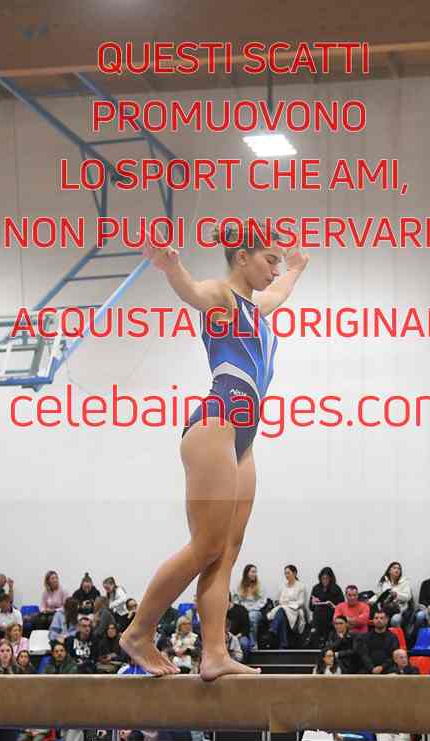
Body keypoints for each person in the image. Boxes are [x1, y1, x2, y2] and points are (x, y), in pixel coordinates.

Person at [120, 221, 308, 678]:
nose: (274, 270)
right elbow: (193, 292)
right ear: (242, 257)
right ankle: (139, 632)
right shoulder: (222, 296)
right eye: (269, 260)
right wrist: (173, 268)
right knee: (205, 546)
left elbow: (279, 292)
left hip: (244, 441)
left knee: (226, 552)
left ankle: (215, 653)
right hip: (216, 423)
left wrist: (296, 267)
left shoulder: (257, 306)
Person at [43, 644, 84, 741]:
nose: (59, 653)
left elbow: (67, 684)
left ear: (66, 652)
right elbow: (45, 685)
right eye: (56, 651)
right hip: (53, 705)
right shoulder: (48, 667)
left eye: (62, 651)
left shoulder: (72, 666)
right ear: (53, 654)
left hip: (69, 704)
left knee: (76, 728)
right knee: (77, 730)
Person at [267, 565, 307, 649]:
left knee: (282, 610)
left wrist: (289, 604)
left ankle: (273, 629)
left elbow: (301, 602)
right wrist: (280, 602)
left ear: (294, 573)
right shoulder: (282, 586)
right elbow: (277, 600)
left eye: (288, 573)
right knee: (282, 612)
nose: (286, 575)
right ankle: (283, 644)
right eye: (285, 573)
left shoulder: (301, 586)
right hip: (283, 608)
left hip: (295, 610)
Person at [369, 561, 412, 627]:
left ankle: (394, 633)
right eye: (394, 568)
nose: (397, 570)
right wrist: (370, 601)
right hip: (384, 608)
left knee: (395, 619)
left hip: (399, 609)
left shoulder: (405, 582)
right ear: (389, 571)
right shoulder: (384, 582)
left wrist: (397, 595)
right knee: (375, 615)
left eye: (399, 569)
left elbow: (408, 597)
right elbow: (378, 595)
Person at [234, 564, 267, 649]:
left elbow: (263, 601)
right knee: (241, 616)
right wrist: (243, 609)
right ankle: (242, 643)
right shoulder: (240, 586)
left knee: (251, 617)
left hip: (256, 611)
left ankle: (254, 643)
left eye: (255, 572)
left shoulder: (260, 585)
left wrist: (251, 609)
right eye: (252, 572)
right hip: (243, 610)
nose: (254, 574)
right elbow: (236, 600)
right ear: (246, 573)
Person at [309, 567, 344, 646]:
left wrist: (332, 605)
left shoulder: (336, 589)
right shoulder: (316, 588)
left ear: (331, 578)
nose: (324, 580)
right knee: (319, 609)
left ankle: (318, 637)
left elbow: (341, 607)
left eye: (327, 578)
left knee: (322, 612)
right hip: (318, 615)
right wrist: (313, 602)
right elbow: (311, 607)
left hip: (332, 614)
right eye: (323, 578)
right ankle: (321, 639)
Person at [227, 592, 251, 659]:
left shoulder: (241, 609)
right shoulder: (219, 611)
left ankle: (244, 662)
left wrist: (234, 638)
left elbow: (246, 629)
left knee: (244, 643)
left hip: (239, 636)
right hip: (225, 636)